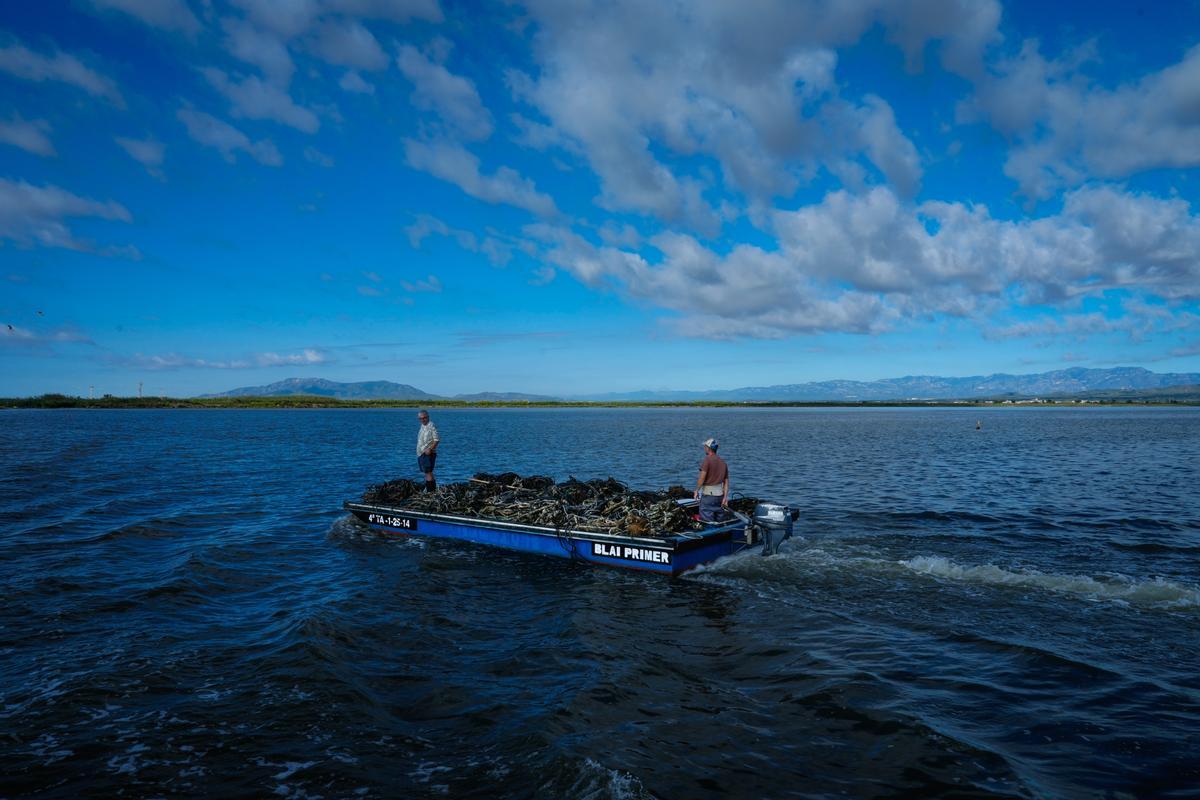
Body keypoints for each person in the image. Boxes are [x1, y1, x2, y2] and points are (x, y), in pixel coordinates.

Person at [694, 437, 729, 522]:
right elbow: (726, 482)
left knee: (707, 521)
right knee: (719, 521)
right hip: (720, 496)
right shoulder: (723, 462)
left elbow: (702, 478)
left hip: (708, 497)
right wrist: (725, 497)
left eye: (705, 446)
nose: (704, 448)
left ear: (708, 448)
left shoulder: (707, 460)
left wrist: (696, 490)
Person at [416, 410, 440, 491]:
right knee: (426, 472)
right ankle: (431, 490)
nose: (422, 420)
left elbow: (437, 440)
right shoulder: (422, 426)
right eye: (420, 418)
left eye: (424, 418)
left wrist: (430, 449)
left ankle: (431, 492)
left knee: (428, 472)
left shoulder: (431, 425)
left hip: (428, 453)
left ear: (428, 417)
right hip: (421, 453)